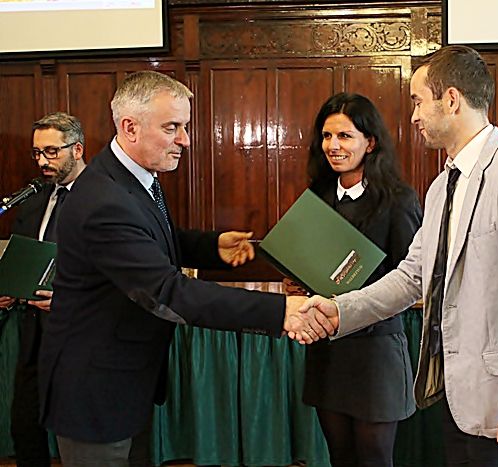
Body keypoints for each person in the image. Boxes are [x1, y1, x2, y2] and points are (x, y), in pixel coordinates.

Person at [296, 45, 498, 467]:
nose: (413, 116)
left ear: (450, 100)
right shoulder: (440, 186)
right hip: (459, 396)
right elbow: (411, 276)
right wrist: (339, 310)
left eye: (418, 101)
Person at [36, 70, 332, 467]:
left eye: (185, 126)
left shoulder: (131, 176)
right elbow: (166, 292)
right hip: (95, 390)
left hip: (124, 378)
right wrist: (281, 311)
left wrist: (210, 247)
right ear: (130, 127)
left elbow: (149, 240)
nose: (185, 140)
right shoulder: (103, 198)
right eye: (172, 127)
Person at [299, 93, 422, 467]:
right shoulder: (316, 198)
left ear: (370, 143)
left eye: (344, 136)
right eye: (327, 136)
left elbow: (412, 279)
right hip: (328, 351)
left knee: (374, 458)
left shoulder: (398, 200)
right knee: (341, 458)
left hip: (376, 352)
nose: (333, 146)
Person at [0, 112, 87, 467]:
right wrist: (7, 289)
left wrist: (70, 298)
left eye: (52, 152)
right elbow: (23, 258)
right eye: (37, 153)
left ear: (77, 149)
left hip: (82, 335)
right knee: (25, 426)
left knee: (81, 436)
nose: (42, 161)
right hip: (35, 332)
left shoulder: (103, 198)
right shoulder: (35, 200)